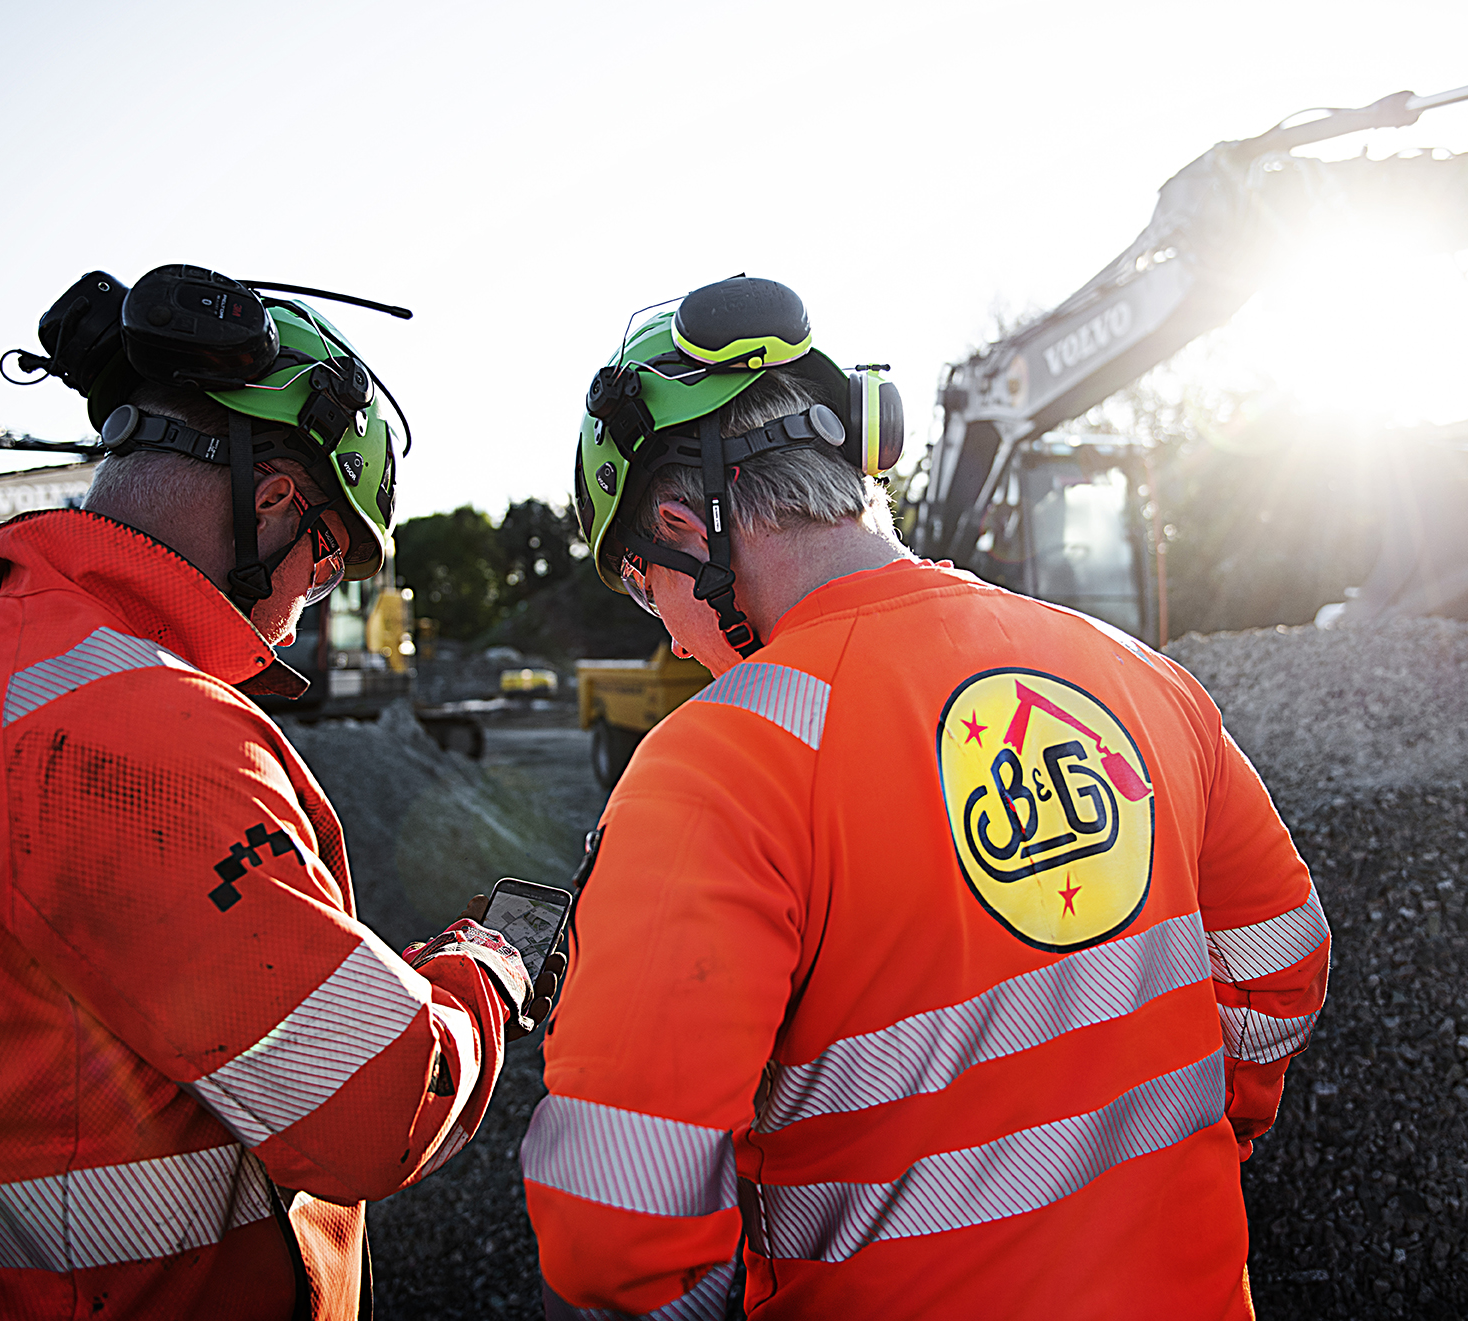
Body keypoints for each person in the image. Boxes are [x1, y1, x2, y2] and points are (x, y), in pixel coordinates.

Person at [523, 276, 1330, 1319]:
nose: (669, 636)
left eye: (644, 587)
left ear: (685, 527)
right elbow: (1281, 965)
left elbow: (617, 1223)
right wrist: (1166, 1144)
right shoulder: (1140, 674)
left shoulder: (721, 758)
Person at [0, 266, 554, 1319]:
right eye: (327, 558)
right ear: (273, 502)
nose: (309, 604)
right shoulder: (142, 735)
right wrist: (492, 968)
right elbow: (371, 1108)